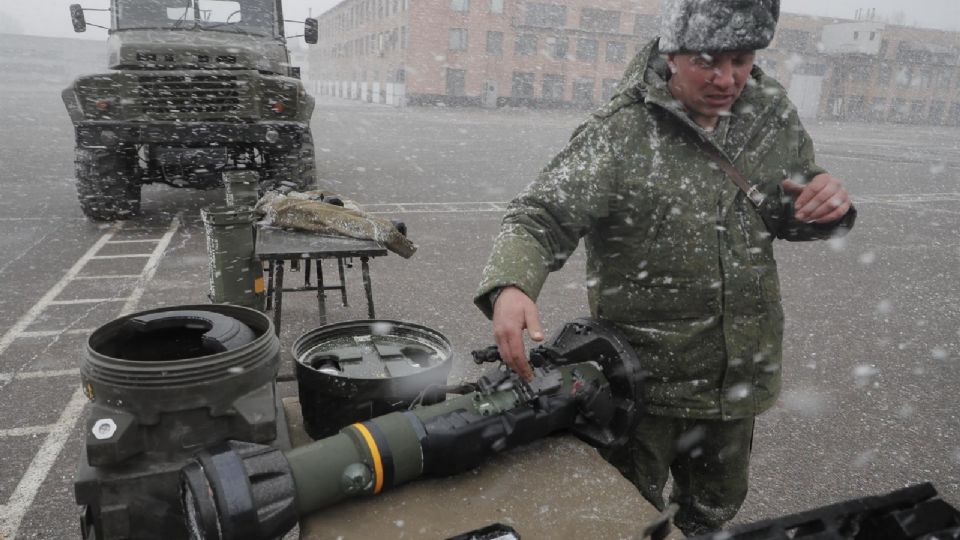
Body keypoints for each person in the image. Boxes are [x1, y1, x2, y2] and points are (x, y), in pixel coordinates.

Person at [473, 0, 856, 534]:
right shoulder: (621, 131)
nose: (728, 79)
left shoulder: (771, 114)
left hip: (737, 376)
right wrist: (511, 285)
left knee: (716, 511)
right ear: (672, 53)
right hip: (644, 385)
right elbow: (539, 216)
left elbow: (790, 203)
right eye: (709, 61)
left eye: (742, 60)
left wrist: (825, 208)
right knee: (627, 513)